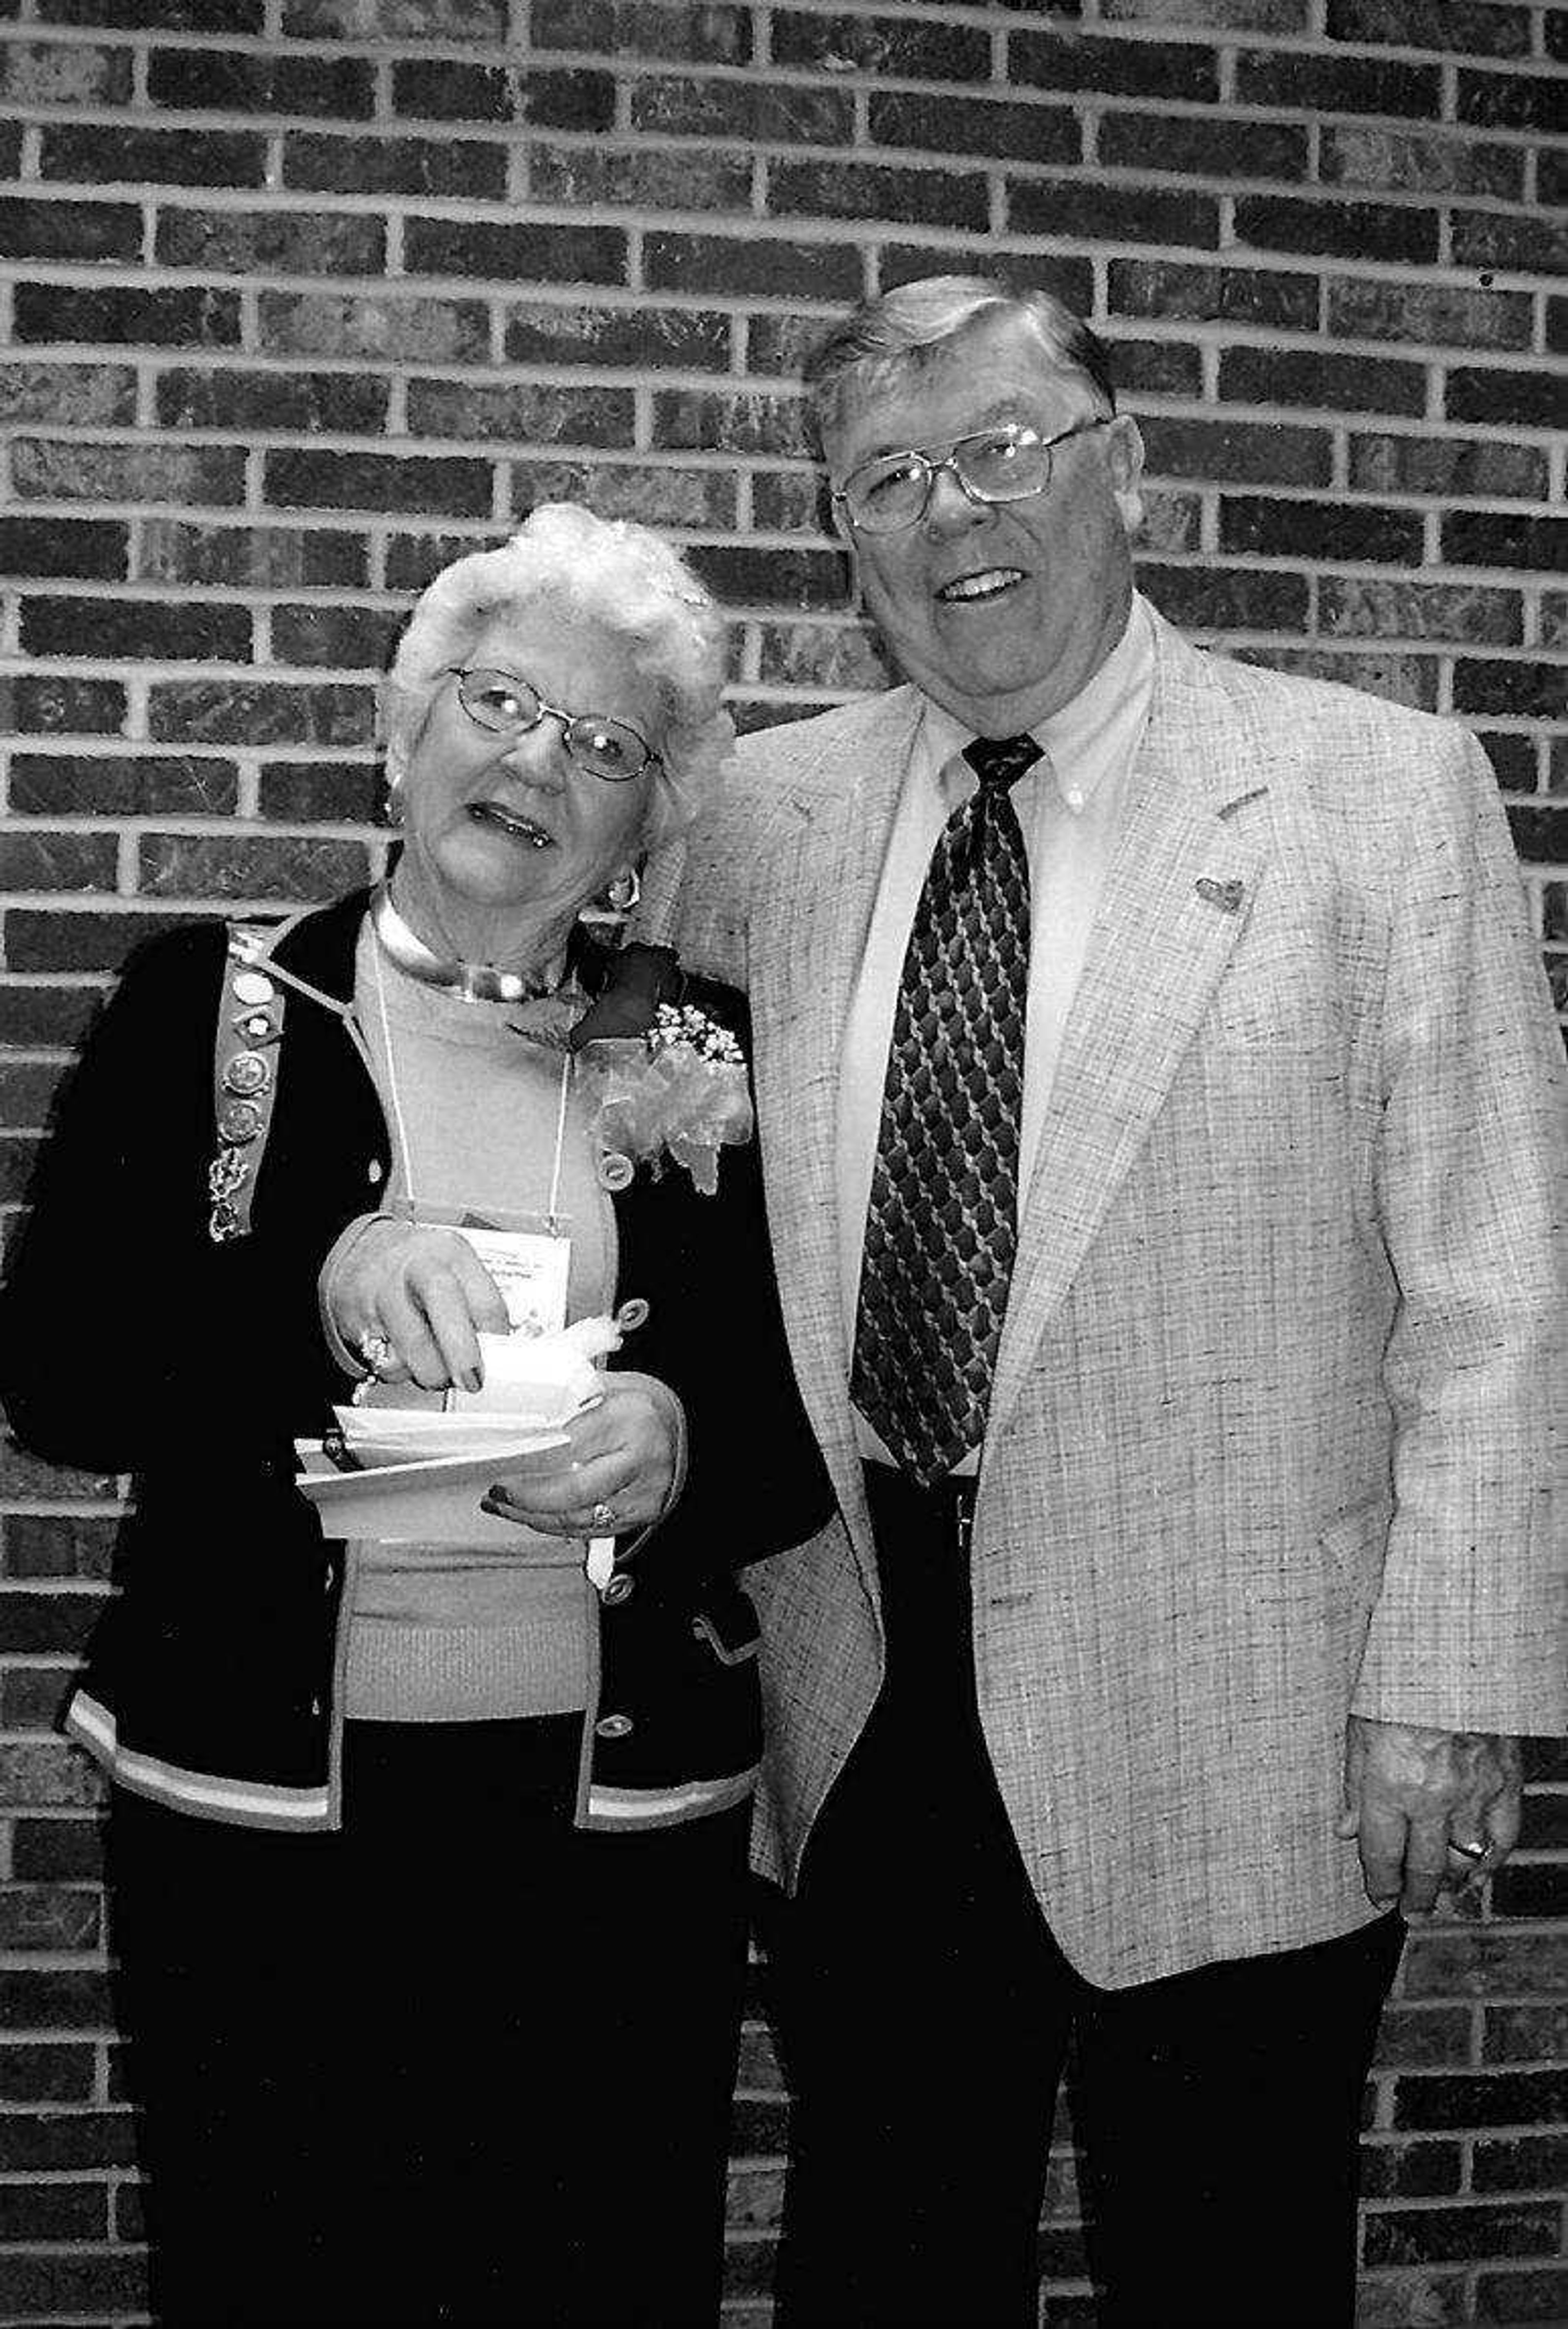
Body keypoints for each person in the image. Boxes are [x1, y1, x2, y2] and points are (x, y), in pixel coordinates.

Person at [597, 278, 1568, 2327]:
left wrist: (1456, 1680)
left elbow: (1500, 1282)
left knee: (1231, 2261)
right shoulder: (758, 820)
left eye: (1006, 446)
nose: (957, 509)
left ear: (1123, 465)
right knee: (884, 2258)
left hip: (1253, 1713)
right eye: (889, 476)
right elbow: (649, 1183)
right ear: (844, 532)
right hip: (862, 1694)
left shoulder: (1381, 797)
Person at [0, 504, 829, 2327]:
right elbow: (62, 1380)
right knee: (282, 2275)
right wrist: (313, 1279)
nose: (541, 759)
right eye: (502, 699)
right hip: (264, 1817)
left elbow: (790, 1433)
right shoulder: (214, 1011)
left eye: (608, 744)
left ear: (649, 822)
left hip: (615, 1825)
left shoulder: (700, 1049)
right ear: (404, 731)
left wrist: (683, 1440)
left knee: (597, 2283)